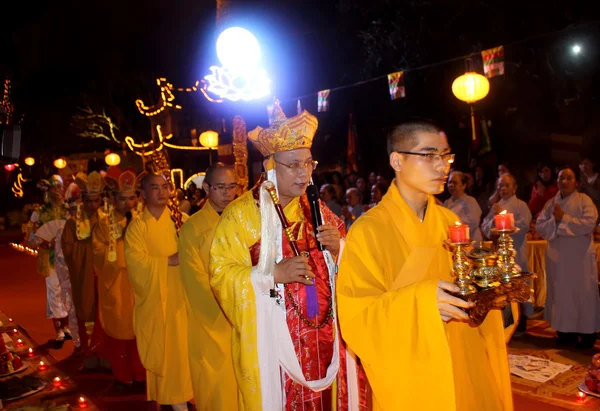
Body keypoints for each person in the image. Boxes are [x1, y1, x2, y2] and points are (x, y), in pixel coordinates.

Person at [337, 121, 513, 410]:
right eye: (429, 155)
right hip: (411, 370)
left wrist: (494, 284)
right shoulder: (368, 230)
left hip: (464, 358)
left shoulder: (450, 223)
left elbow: (472, 295)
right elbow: (358, 318)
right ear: (397, 160)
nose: (442, 166)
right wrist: (421, 302)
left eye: (446, 156)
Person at [209, 101, 368, 410]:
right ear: (270, 167)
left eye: (308, 163)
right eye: (293, 165)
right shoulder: (241, 215)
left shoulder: (318, 210)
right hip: (275, 345)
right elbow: (221, 275)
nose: (303, 172)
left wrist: (339, 250)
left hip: (324, 341)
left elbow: (351, 267)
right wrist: (271, 276)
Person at [124, 168, 193, 410]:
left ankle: (186, 399)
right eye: (155, 187)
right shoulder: (137, 229)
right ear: (142, 193)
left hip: (184, 300)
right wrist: (167, 261)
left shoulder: (182, 222)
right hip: (158, 302)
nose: (162, 191)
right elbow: (136, 265)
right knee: (169, 354)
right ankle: (176, 402)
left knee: (187, 352)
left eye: (165, 187)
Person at [179, 163, 239, 410]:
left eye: (232, 187)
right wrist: (231, 304)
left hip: (245, 318)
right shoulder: (192, 228)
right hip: (211, 321)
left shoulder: (243, 222)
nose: (227, 194)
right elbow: (195, 281)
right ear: (206, 188)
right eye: (220, 187)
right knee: (217, 390)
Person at [92, 167, 145, 389]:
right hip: (116, 285)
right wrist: (121, 244)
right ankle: (122, 376)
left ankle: (142, 375)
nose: (128, 203)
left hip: (140, 285)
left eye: (131, 197)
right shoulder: (104, 225)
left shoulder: (143, 221)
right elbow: (98, 254)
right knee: (120, 331)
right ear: (114, 199)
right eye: (123, 199)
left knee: (142, 331)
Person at [536, 167, 600, 349]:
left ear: (577, 182)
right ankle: (565, 333)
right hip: (557, 257)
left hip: (580, 258)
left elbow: (589, 223)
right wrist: (555, 221)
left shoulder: (584, 201)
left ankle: (587, 334)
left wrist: (564, 219)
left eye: (569, 178)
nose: (564, 181)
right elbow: (541, 226)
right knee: (562, 295)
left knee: (583, 294)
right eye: (561, 178)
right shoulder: (551, 204)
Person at [61, 171, 106, 368]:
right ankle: (89, 354)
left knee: (105, 316)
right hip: (85, 276)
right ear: (83, 200)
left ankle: (106, 354)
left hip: (105, 276)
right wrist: (89, 247)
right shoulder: (73, 223)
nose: (92, 206)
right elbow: (68, 250)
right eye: (89, 201)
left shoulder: (107, 220)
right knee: (87, 314)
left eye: (96, 201)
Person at [28, 175, 71, 345]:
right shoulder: (39, 213)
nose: (58, 191)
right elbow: (31, 238)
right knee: (54, 292)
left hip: (67, 258)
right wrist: (46, 241)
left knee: (68, 292)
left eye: (60, 187)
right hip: (50, 257)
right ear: (48, 190)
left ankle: (67, 326)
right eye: (55, 188)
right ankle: (58, 328)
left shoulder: (68, 210)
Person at [444, 171, 483, 241]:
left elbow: (473, 222)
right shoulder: (447, 203)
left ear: (464, 185)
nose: (451, 185)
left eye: (455, 183)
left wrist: (453, 224)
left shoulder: (470, 201)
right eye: (450, 182)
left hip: (470, 242)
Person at [579, 157, 600, 223]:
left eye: (586, 163)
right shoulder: (581, 180)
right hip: (583, 214)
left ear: (593, 164)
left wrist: (587, 184)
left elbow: (598, 197)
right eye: (582, 164)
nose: (584, 166)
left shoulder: (598, 178)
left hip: (596, 213)